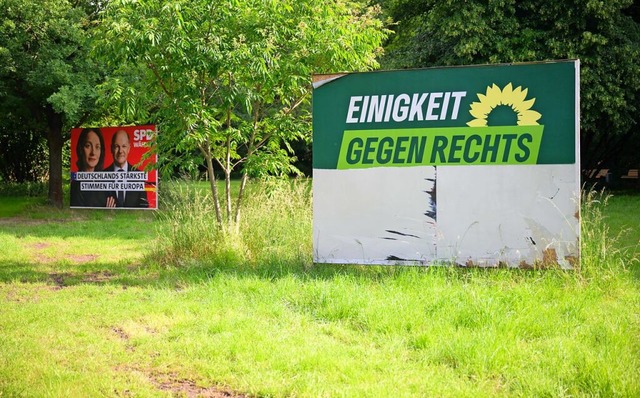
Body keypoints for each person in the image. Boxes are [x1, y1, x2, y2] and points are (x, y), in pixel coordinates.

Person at [103, 129, 149, 208]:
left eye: (124, 146)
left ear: (129, 148)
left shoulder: (139, 176)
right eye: (117, 146)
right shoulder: (101, 176)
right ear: (111, 149)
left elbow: (144, 207)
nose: (120, 151)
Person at [70, 128, 115, 208]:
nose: (93, 152)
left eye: (97, 147)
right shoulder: (75, 185)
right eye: (88, 146)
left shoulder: (106, 182)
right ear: (81, 149)